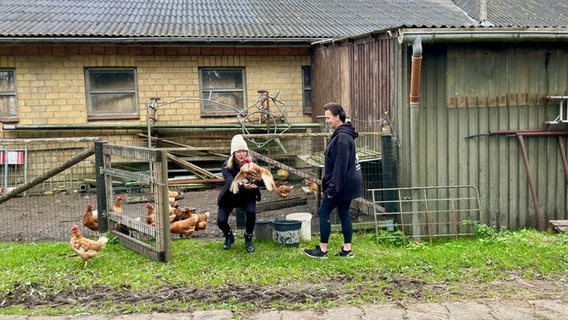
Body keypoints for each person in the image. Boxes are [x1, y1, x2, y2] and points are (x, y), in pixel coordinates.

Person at [304, 102, 362, 259]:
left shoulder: (342, 138)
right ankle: (347, 249)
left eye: (328, 117)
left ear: (337, 117)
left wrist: (332, 189)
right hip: (348, 183)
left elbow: (340, 167)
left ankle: (322, 250)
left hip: (341, 184)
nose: (326, 120)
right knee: (343, 213)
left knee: (323, 212)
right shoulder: (343, 134)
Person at [216, 134, 262, 253]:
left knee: (251, 212)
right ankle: (228, 235)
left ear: (247, 152)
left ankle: (248, 238)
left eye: (244, 151)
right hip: (230, 195)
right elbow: (231, 182)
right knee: (220, 221)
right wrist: (243, 185)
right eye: (238, 151)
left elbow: (259, 182)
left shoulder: (253, 163)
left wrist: (259, 179)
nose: (241, 154)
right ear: (233, 153)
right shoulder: (227, 165)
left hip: (248, 195)